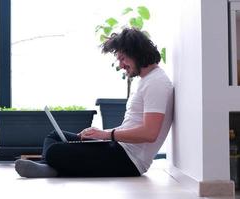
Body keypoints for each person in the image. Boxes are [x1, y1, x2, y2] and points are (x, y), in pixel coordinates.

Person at [14, 27, 174, 178]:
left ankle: (49, 167)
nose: (120, 65)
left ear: (136, 52)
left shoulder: (156, 83)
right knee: (55, 136)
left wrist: (106, 135)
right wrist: (99, 134)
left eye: (122, 58)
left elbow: (149, 133)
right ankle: (48, 167)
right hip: (120, 148)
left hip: (129, 160)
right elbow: (132, 127)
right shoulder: (147, 80)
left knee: (55, 151)